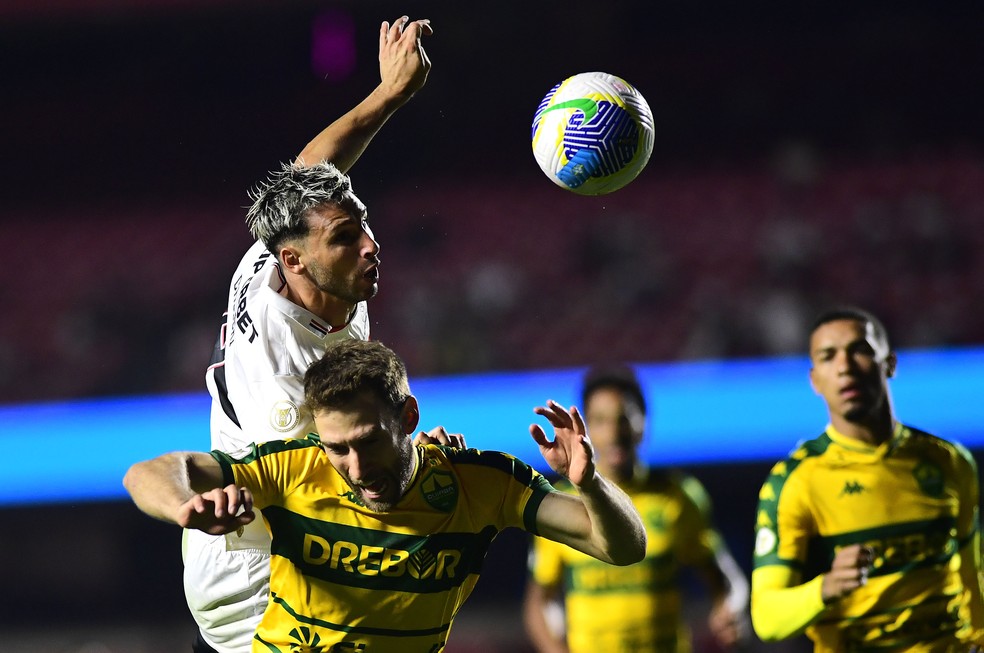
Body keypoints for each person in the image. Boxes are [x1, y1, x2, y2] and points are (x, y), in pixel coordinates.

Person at [185, 15, 461, 653]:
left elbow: (314, 166)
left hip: (297, 566)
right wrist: (419, 457)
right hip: (260, 584)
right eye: (347, 239)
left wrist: (388, 93)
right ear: (297, 262)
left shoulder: (280, 249)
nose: (371, 247)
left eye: (363, 224)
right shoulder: (287, 380)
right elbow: (331, 486)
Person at [124, 339, 647, 652]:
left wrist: (590, 484)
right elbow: (149, 472)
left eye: (368, 442)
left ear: (409, 419)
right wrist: (182, 506)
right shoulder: (295, 467)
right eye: (336, 449)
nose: (355, 467)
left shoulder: (483, 484)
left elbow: (625, 547)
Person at [751, 306, 984, 651]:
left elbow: (971, 575)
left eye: (859, 349)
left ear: (889, 364)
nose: (844, 367)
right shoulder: (795, 481)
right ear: (815, 380)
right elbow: (767, 619)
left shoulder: (949, 461)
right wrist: (826, 587)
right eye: (828, 357)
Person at [523, 364, 750, 653]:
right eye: (601, 420)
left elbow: (725, 579)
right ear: (586, 428)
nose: (614, 432)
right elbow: (540, 601)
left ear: (644, 422)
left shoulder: (678, 496)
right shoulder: (561, 504)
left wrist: (730, 610)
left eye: (624, 418)